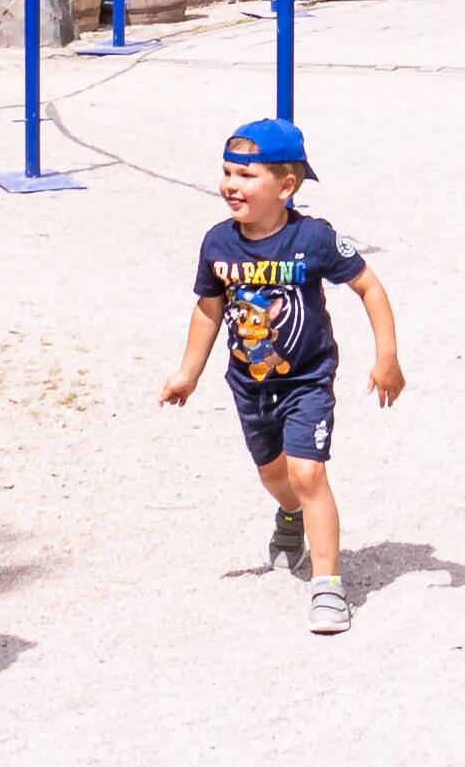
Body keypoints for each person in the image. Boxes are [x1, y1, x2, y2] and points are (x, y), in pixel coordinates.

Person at [161, 115, 406, 636]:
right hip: (249, 385)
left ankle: (328, 587)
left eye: (247, 176)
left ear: (286, 186)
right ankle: (290, 517)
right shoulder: (218, 245)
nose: (231, 185)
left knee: (307, 473)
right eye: (228, 172)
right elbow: (208, 310)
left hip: (307, 380)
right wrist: (188, 373)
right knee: (274, 475)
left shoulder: (312, 239)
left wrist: (386, 356)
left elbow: (370, 287)